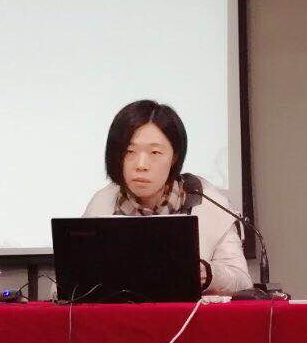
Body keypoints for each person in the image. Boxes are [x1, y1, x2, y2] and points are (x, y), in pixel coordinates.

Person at [84, 99, 253, 295]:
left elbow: (242, 280)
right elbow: (69, 279)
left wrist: (208, 273)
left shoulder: (207, 201)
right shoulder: (102, 202)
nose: (141, 165)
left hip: (189, 314)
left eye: (155, 152)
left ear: (174, 157)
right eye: (130, 151)